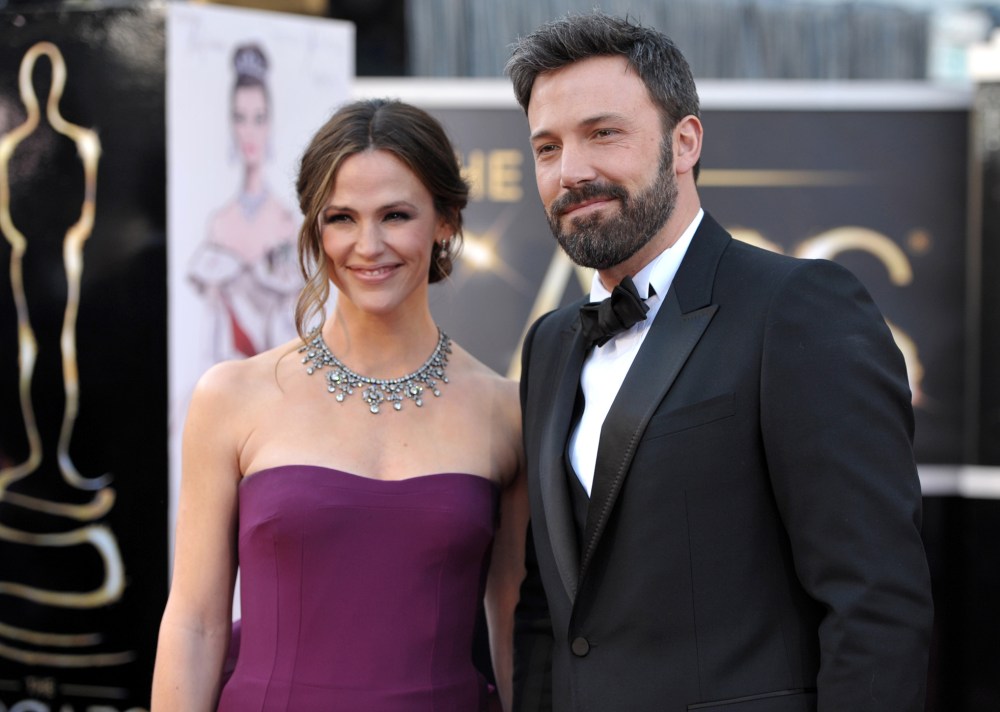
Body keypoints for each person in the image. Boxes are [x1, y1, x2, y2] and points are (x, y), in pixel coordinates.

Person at [506, 12, 933, 712]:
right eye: (546, 148)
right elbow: (545, 611)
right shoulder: (550, 344)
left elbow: (876, 604)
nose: (571, 171)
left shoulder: (797, 309)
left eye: (602, 133)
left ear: (685, 142)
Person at [152, 98, 527, 711]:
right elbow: (194, 623)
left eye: (396, 215)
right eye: (342, 218)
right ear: (314, 227)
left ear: (445, 221)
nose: (368, 245)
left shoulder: (504, 411)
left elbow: (513, 629)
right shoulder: (232, 397)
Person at [187, 43, 300, 362]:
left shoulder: (284, 220)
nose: (249, 132)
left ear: (270, 123)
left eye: (258, 118)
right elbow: (210, 330)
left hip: (279, 375)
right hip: (228, 377)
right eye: (240, 118)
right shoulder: (219, 223)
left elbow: (295, 324)